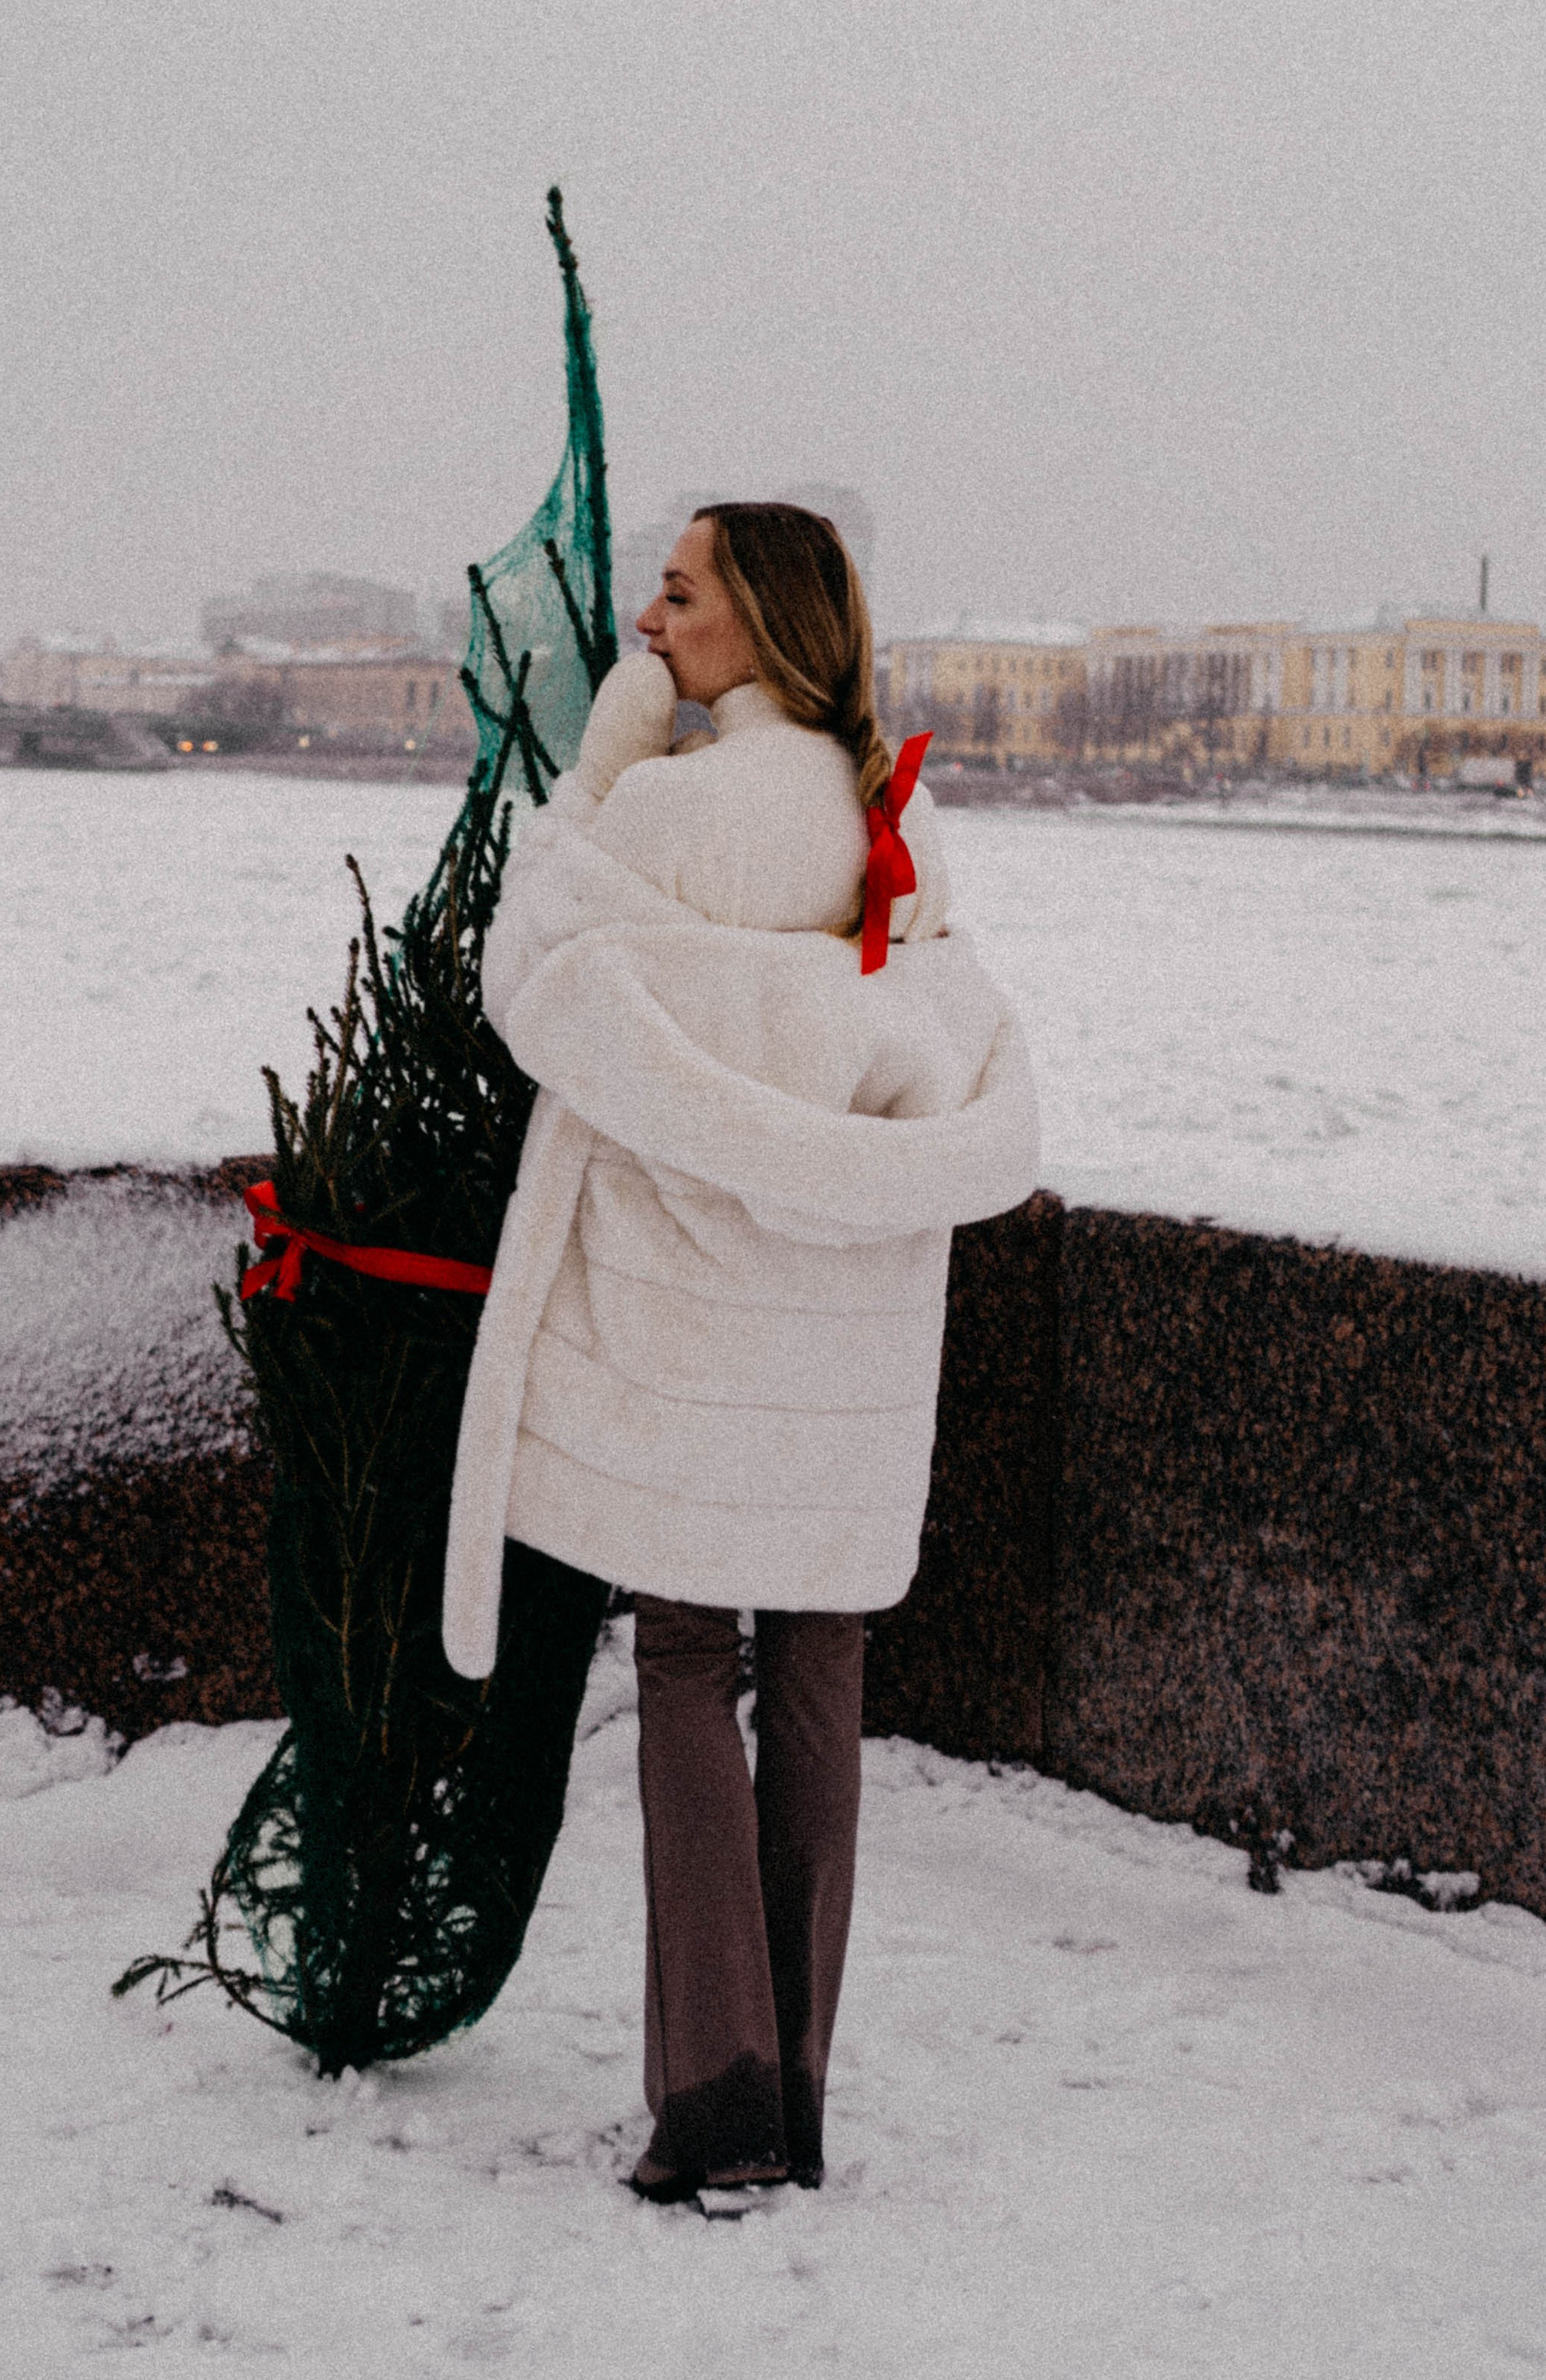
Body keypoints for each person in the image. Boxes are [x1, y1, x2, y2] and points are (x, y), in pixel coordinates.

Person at [442, 501, 1039, 2200]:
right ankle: (803, 2088)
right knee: (825, 1669)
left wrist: (616, 736)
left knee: (691, 1659)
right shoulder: (885, 829)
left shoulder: (676, 807)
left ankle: (714, 2096)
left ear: (756, 625)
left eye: (679, 591)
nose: (650, 614)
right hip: (843, 1335)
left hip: (695, 1311)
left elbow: (527, 963)